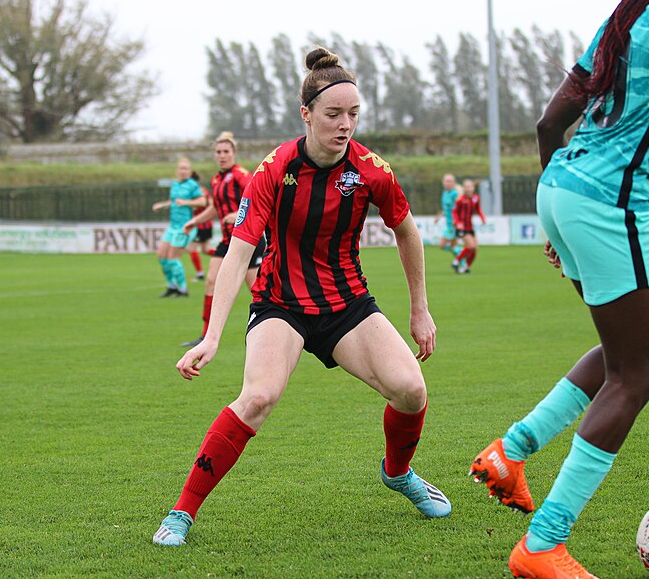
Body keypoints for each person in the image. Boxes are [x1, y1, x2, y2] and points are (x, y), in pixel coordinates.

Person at [468, 0, 649, 577]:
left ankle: (511, 451)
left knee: (619, 356)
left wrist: (557, 211)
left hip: (562, 186)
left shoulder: (620, 24)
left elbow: (547, 122)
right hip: (611, 201)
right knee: (636, 378)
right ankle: (543, 545)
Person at [152, 47, 451, 547]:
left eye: (353, 114)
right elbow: (239, 249)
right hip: (281, 303)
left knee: (412, 390)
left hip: (347, 303)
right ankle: (182, 511)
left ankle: (398, 473)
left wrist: (420, 309)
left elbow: (408, 232)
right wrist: (212, 336)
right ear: (306, 114)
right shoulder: (273, 170)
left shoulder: (372, 169)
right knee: (259, 396)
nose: (345, 125)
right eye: (334, 114)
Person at [180, 132, 266, 347]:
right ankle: (206, 335)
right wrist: (196, 221)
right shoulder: (217, 179)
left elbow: (259, 198)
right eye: (218, 152)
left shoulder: (240, 175)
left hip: (249, 240)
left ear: (234, 153)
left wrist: (239, 214)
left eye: (226, 152)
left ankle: (269, 332)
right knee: (211, 281)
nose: (222, 155)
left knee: (258, 290)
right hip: (228, 241)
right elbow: (215, 209)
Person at [151, 158, 206, 297]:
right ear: (177, 170)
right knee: (161, 257)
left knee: (172, 258)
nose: (183, 171)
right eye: (181, 168)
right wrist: (162, 205)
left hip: (185, 227)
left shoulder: (192, 185)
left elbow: (203, 201)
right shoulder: (175, 185)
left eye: (185, 169)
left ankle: (183, 289)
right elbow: (174, 201)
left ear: (190, 171)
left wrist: (186, 202)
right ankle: (172, 286)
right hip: (172, 227)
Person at [451, 179, 487, 274]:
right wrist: (457, 223)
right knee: (471, 246)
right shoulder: (460, 200)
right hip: (462, 228)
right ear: (464, 188)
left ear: (473, 188)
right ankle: (456, 261)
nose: (468, 189)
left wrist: (482, 218)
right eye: (466, 187)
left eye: (469, 187)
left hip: (470, 227)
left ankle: (466, 267)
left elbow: (478, 209)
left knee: (474, 249)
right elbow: (454, 212)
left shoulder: (476, 198)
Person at [186, 171, 212, 282]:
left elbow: (206, 203)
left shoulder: (196, 192)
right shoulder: (203, 190)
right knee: (205, 250)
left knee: (191, 248)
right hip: (206, 224)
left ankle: (200, 274)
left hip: (200, 225)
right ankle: (225, 255)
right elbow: (211, 203)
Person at [433, 173, 462, 260]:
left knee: (442, 245)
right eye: (446, 181)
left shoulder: (455, 194)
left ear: (454, 183)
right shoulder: (445, 193)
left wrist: (458, 221)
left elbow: (459, 208)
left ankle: (463, 254)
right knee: (454, 246)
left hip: (454, 225)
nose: (448, 183)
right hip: (449, 224)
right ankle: (462, 263)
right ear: (443, 182)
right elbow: (446, 208)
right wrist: (439, 216)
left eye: (450, 181)